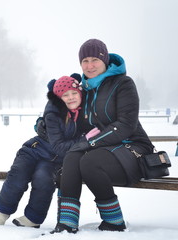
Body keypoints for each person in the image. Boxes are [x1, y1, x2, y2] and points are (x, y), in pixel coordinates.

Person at [49, 39, 155, 234]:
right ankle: (66, 224)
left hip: (132, 148)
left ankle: (113, 221)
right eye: (85, 61)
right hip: (102, 148)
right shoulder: (85, 90)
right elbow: (69, 112)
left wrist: (90, 141)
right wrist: (47, 122)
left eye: (94, 60)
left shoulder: (123, 84)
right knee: (72, 158)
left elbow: (126, 125)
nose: (90, 66)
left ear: (104, 60)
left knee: (90, 161)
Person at [0, 74, 99, 228]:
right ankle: (2, 212)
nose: (71, 97)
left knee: (44, 179)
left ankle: (32, 218)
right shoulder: (53, 113)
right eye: (65, 95)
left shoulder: (84, 113)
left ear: (80, 93)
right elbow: (59, 146)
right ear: (59, 99)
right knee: (18, 175)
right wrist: (84, 139)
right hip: (34, 150)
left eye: (74, 93)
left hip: (54, 160)